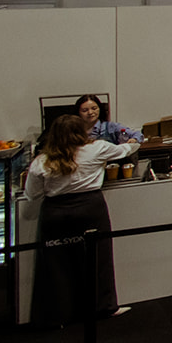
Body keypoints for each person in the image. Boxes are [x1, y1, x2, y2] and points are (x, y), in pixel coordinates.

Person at [23, 115, 139, 325]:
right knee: (98, 259)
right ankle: (104, 307)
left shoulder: (41, 161)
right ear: (82, 131)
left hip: (55, 213)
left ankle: (57, 315)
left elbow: (32, 195)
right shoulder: (97, 148)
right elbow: (125, 150)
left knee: (55, 263)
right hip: (90, 209)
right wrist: (134, 142)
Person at [74, 95, 144, 145]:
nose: (90, 112)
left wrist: (134, 140)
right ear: (78, 112)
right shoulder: (73, 130)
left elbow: (137, 134)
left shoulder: (111, 126)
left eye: (94, 108)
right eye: (85, 110)